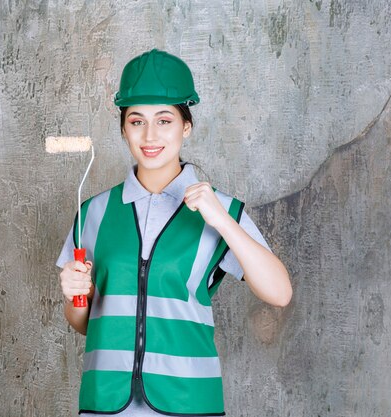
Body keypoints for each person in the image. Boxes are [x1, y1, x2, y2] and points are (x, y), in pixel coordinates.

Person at [55, 48, 292, 416]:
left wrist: (222, 222)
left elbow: (279, 292)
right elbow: (84, 324)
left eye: (164, 120)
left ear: (186, 126)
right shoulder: (92, 213)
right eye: (137, 121)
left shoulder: (220, 210)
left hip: (188, 403)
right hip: (105, 405)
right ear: (123, 128)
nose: (150, 135)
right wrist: (74, 296)